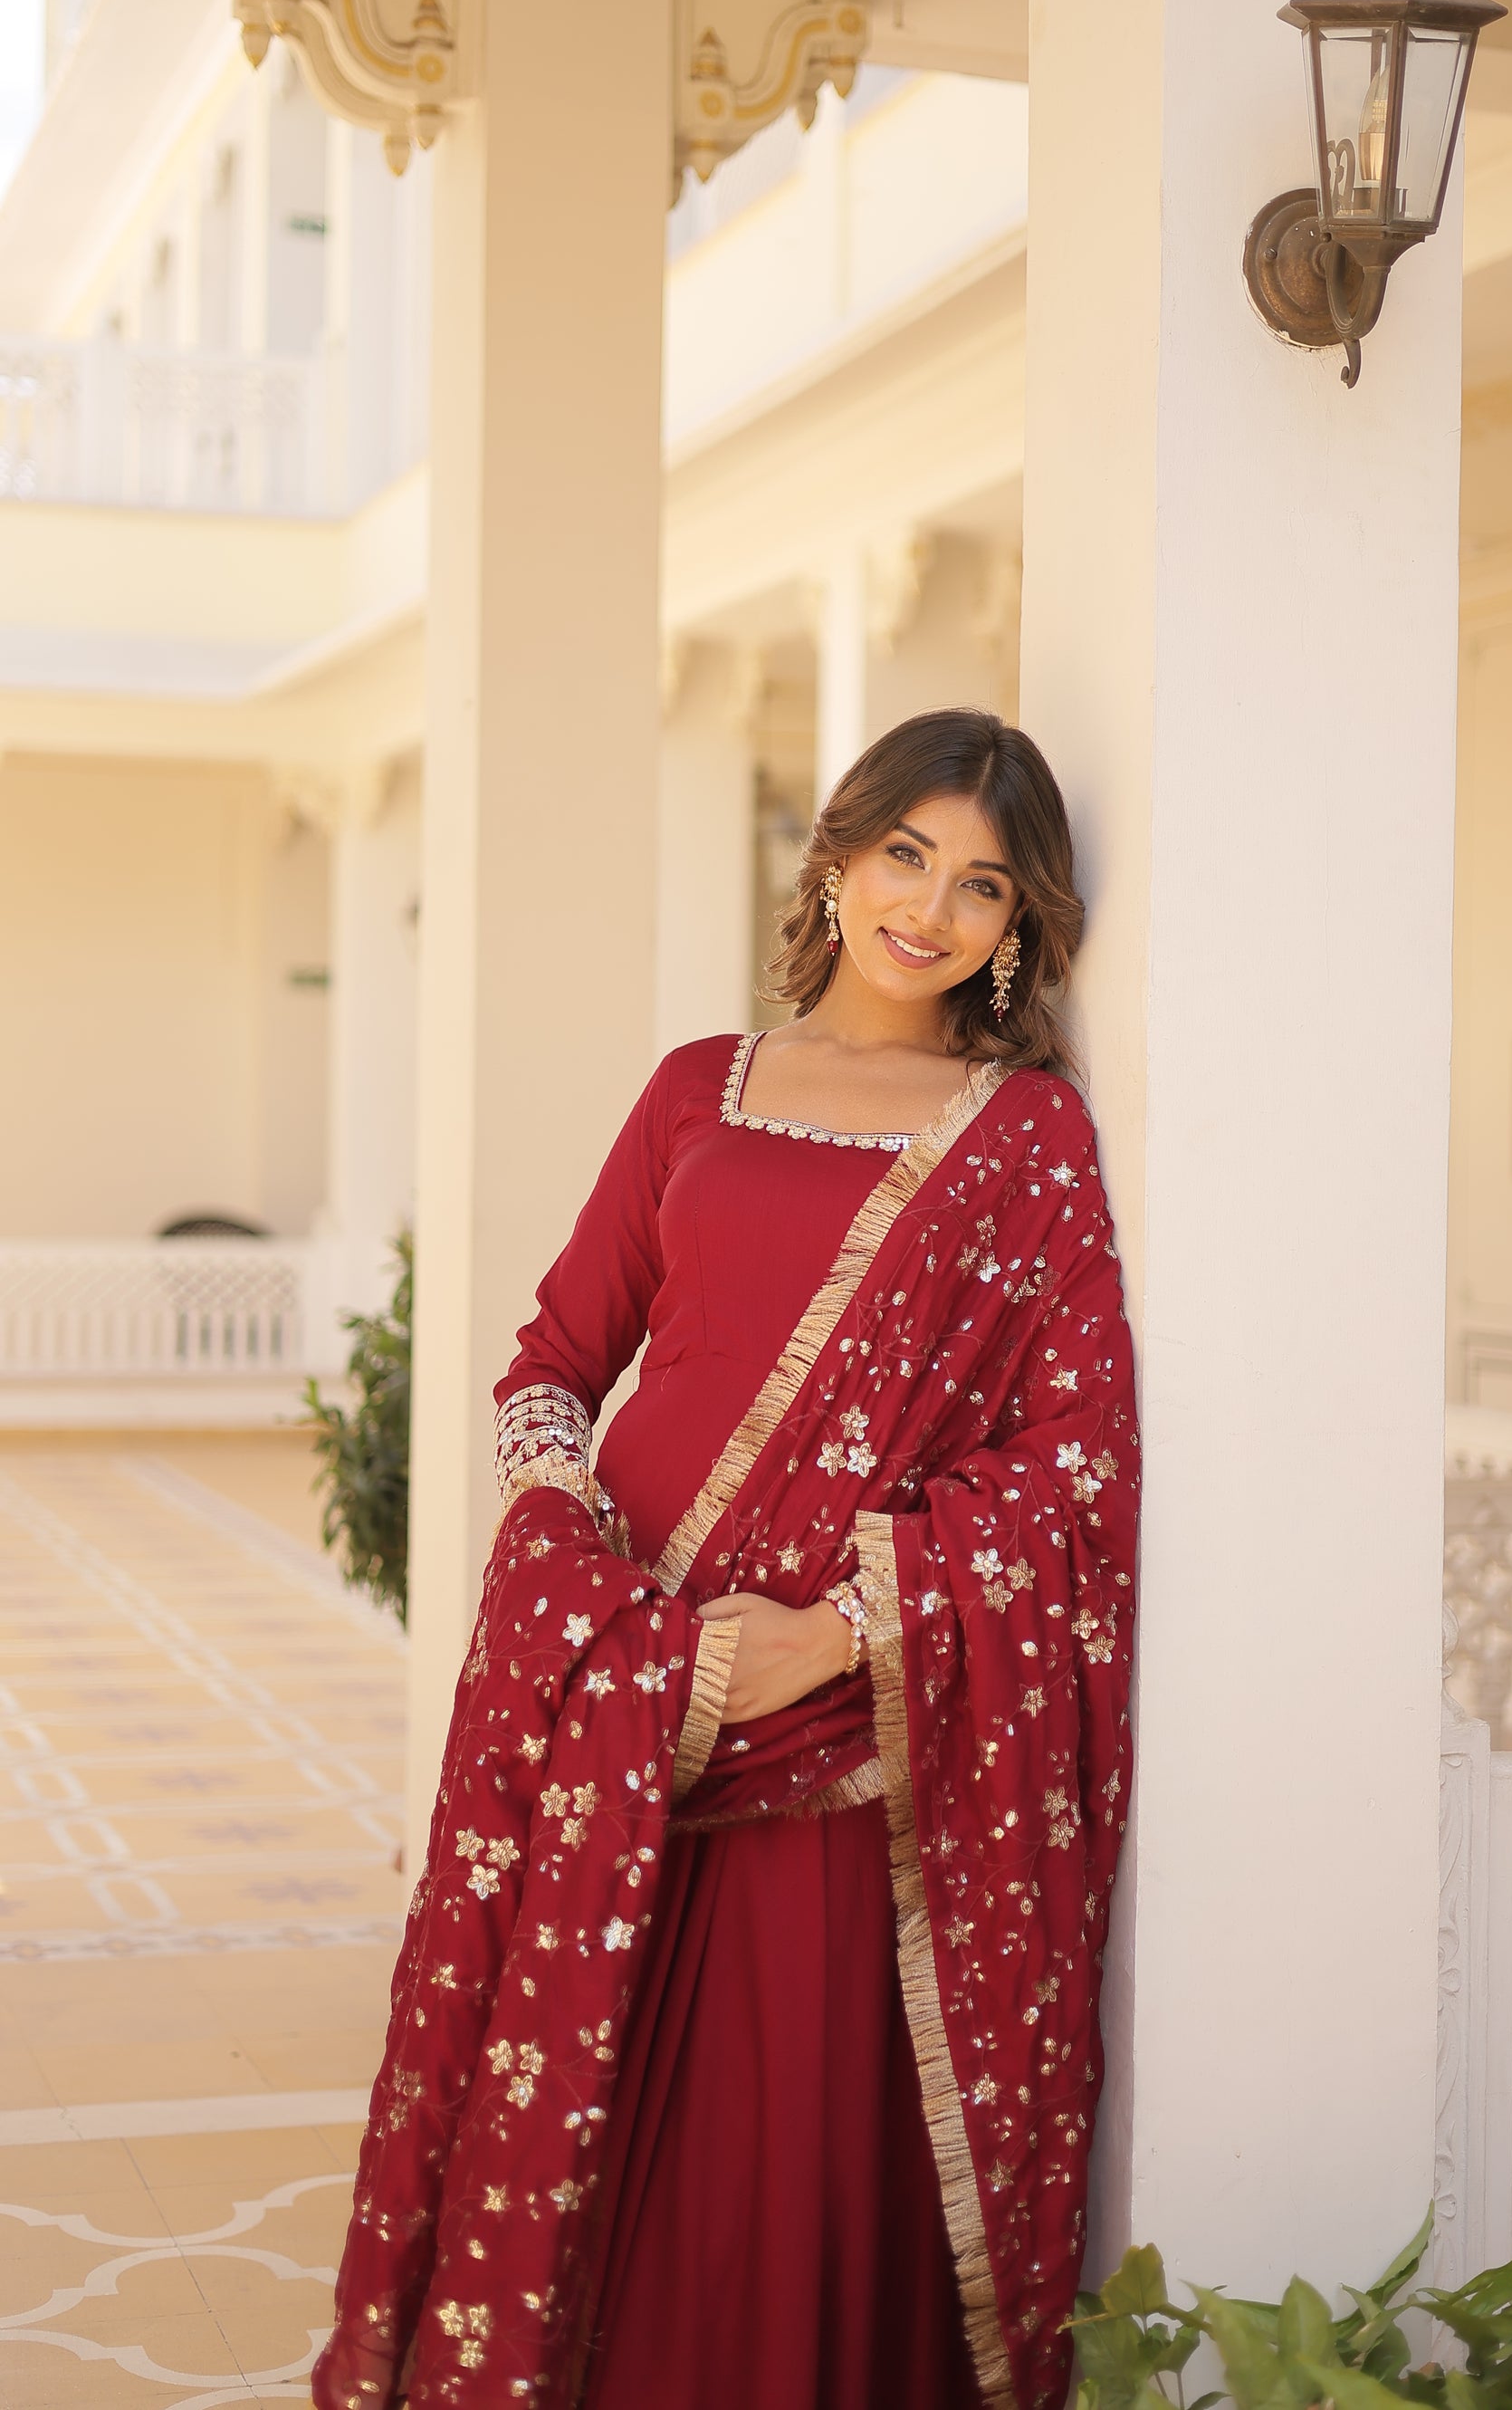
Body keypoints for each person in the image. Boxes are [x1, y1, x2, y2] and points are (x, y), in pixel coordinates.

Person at [312, 708, 1140, 2410]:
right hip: (615, 1695)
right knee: (574, 2149)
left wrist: (831, 1637)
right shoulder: (699, 1085)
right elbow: (550, 1360)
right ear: (834, 856)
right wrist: (568, 1567)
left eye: (981, 884)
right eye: (904, 853)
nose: (930, 908)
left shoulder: (1022, 1143)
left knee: (769, 2181)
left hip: (832, 1757)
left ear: (1019, 925)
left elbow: (1068, 1466)